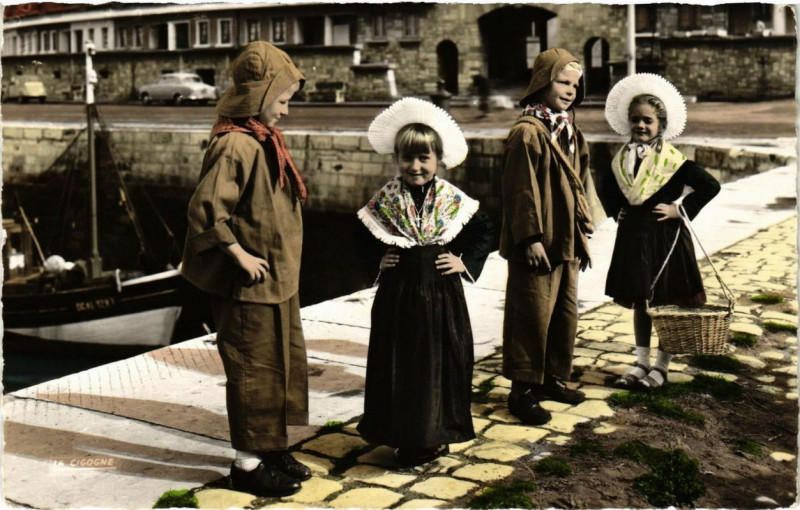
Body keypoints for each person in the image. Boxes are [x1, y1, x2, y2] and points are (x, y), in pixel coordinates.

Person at [181, 41, 311, 497]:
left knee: (279, 365)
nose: (286, 112)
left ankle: (271, 446)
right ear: (257, 97)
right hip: (248, 284)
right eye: (281, 101)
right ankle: (247, 463)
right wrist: (239, 255)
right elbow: (206, 212)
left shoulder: (262, 138)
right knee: (252, 370)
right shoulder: (236, 145)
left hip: (276, 282)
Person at [356, 97, 494, 467]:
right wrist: (379, 260)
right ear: (396, 159)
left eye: (424, 159)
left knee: (439, 363)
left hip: (440, 295)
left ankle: (435, 434)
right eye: (407, 159)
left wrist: (461, 261)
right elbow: (359, 237)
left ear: (437, 160)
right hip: (398, 295)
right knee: (401, 363)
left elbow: (484, 230)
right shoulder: (386, 198)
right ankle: (402, 434)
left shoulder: (451, 198)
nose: (415, 167)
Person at [499, 48, 605, 426]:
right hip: (540, 240)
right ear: (542, 82)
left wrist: (582, 232)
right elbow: (520, 191)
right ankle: (521, 389)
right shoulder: (528, 133)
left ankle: (550, 378)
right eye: (562, 82)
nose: (570, 90)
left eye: (575, 84)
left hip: (565, 238)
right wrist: (529, 239)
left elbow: (582, 184)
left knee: (563, 311)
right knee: (531, 310)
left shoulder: (570, 131)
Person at [603, 73, 720, 390]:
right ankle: (641, 362)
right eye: (635, 120)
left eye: (648, 121)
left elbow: (710, 186)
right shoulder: (622, 159)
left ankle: (661, 367)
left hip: (665, 239)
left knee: (666, 302)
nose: (640, 126)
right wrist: (617, 210)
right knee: (641, 300)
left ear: (660, 125)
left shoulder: (673, 160)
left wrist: (679, 209)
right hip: (634, 239)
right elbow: (606, 187)